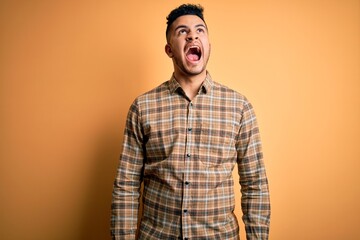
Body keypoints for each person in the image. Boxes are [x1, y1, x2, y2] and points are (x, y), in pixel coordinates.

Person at [111, 4, 270, 240]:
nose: (192, 35)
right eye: (182, 31)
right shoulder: (142, 107)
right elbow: (126, 186)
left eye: (200, 30)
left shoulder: (240, 107)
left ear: (208, 46)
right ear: (169, 50)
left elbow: (255, 185)